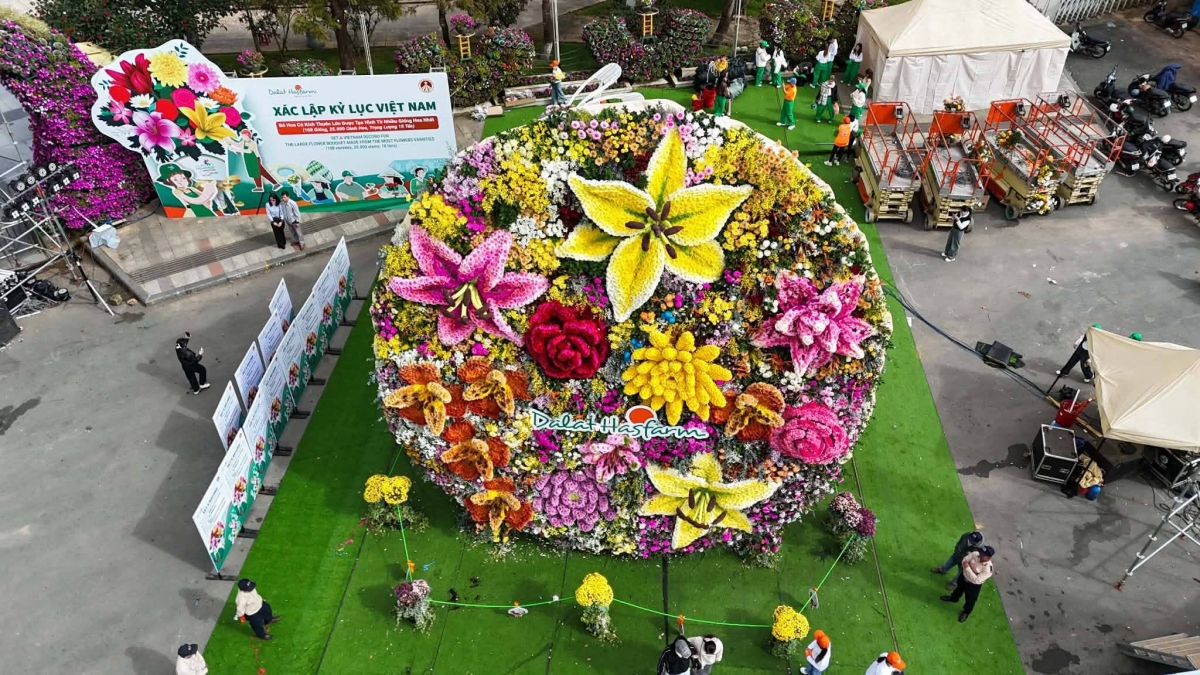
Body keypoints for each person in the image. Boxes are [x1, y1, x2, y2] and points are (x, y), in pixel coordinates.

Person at [941, 545, 995, 622]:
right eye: (981, 553)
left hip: (973, 586)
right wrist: (971, 571)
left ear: (988, 558)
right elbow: (964, 560)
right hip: (963, 577)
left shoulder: (988, 569)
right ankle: (953, 598)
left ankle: (966, 612)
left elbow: (977, 580)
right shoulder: (976, 553)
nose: (980, 555)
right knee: (958, 589)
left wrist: (967, 567)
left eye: (983, 555)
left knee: (970, 600)